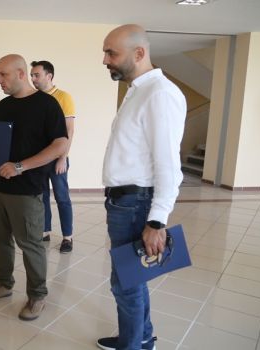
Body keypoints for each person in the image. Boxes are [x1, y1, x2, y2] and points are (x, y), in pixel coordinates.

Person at [97, 24, 186, 350]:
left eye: (111, 53)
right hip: (125, 201)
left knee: (125, 284)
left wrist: (156, 221)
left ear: (139, 53)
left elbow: (169, 166)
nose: (105, 60)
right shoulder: (139, 90)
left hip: (137, 203)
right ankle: (142, 335)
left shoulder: (159, 94)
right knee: (132, 278)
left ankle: (134, 345)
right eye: (105, 52)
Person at [0, 54, 67, 321]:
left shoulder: (47, 105)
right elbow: (1, 143)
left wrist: (20, 166)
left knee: (31, 244)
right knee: (0, 238)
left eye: (3, 74)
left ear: (20, 74)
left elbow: (60, 144)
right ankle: (3, 283)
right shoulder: (3, 106)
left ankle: (37, 295)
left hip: (27, 188)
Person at [30, 60, 76, 253]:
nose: (33, 79)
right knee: (43, 197)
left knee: (62, 197)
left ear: (49, 76)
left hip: (57, 158)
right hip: (40, 159)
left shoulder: (63, 97)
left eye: (36, 75)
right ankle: (45, 231)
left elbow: (69, 130)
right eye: (31, 75)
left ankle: (68, 237)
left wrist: (62, 157)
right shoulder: (35, 99)